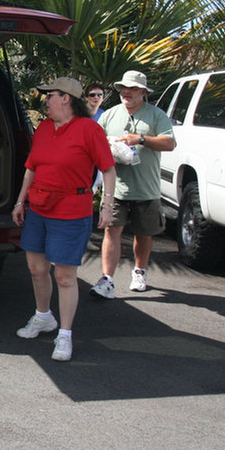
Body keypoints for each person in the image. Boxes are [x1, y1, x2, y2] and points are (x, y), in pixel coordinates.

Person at [12, 77, 115, 362]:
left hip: (71, 210)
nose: (44, 100)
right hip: (39, 207)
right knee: (35, 267)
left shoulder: (89, 129)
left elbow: (108, 170)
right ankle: (43, 317)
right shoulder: (44, 128)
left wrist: (106, 205)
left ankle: (65, 335)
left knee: (65, 276)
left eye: (50, 95)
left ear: (67, 98)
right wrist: (21, 201)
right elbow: (31, 168)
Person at [91, 70, 176, 298]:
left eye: (131, 89)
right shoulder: (110, 115)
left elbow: (170, 143)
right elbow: (94, 142)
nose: (125, 92)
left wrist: (140, 139)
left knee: (143, 233)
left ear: (142, 92)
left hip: (146, 189)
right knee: (112, 230)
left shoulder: (156, 115)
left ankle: (139, 271)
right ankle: (107, 280)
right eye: (123, 88)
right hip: (116, 188)